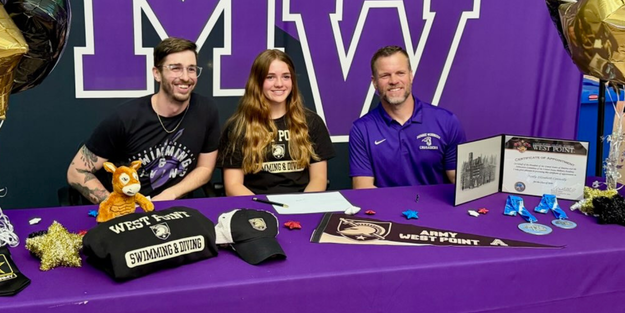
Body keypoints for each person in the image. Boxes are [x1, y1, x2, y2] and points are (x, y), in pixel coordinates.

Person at [67, 37, 220, 204]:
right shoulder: (125, 118)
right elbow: (76, 171)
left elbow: (205, 168)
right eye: (175, 68)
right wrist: (115, 206)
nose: (185, 77)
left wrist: (172, 193)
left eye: (191, 69)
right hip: (128, 213)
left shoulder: (206, 110)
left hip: (172, 211)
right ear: (157, 73)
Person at [219, 49, 334, 195]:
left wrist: (302, 205)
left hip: (301, 205)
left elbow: (318, 179)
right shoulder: (238, 126)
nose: (279, 84)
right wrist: (262, 210)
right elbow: (233, 186)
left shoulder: (312, 122)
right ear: (257, 82)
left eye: (286, 77)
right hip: (256, 207)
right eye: (270, 77)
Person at [349, 45, 465, 188]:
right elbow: (363, 187)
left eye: (400, 73)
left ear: (411, 76)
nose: (393, 80)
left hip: (437, 209)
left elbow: (458, 180)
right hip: (387, 210)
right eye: (385, 75)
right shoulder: (362, 129)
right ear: (374, 82)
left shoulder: (446, 121)